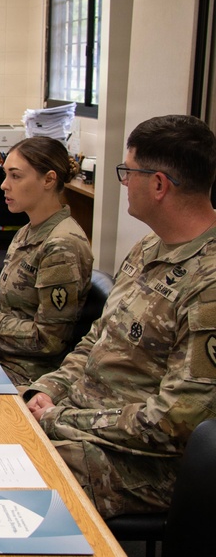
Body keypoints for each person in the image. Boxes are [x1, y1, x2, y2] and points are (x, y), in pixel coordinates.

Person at [25, 114, 216, 519]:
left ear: (159, 184)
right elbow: (99, 339)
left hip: (143, 465)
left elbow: (176, 421)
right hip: (85, 421)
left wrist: (59, 419)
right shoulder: (149, 248)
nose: (124, 182)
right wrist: (50, 389)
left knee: (9, 471)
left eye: (128, 172)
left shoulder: (209, 283)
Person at [0, 136, 93, 386]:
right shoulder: (29, 231)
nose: (4, 185)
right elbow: (19, 312)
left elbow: (49, 340)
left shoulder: (61, 245)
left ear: (49, 180)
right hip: (3, 356)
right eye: (5, 175)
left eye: (15, 176)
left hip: (28, 373)